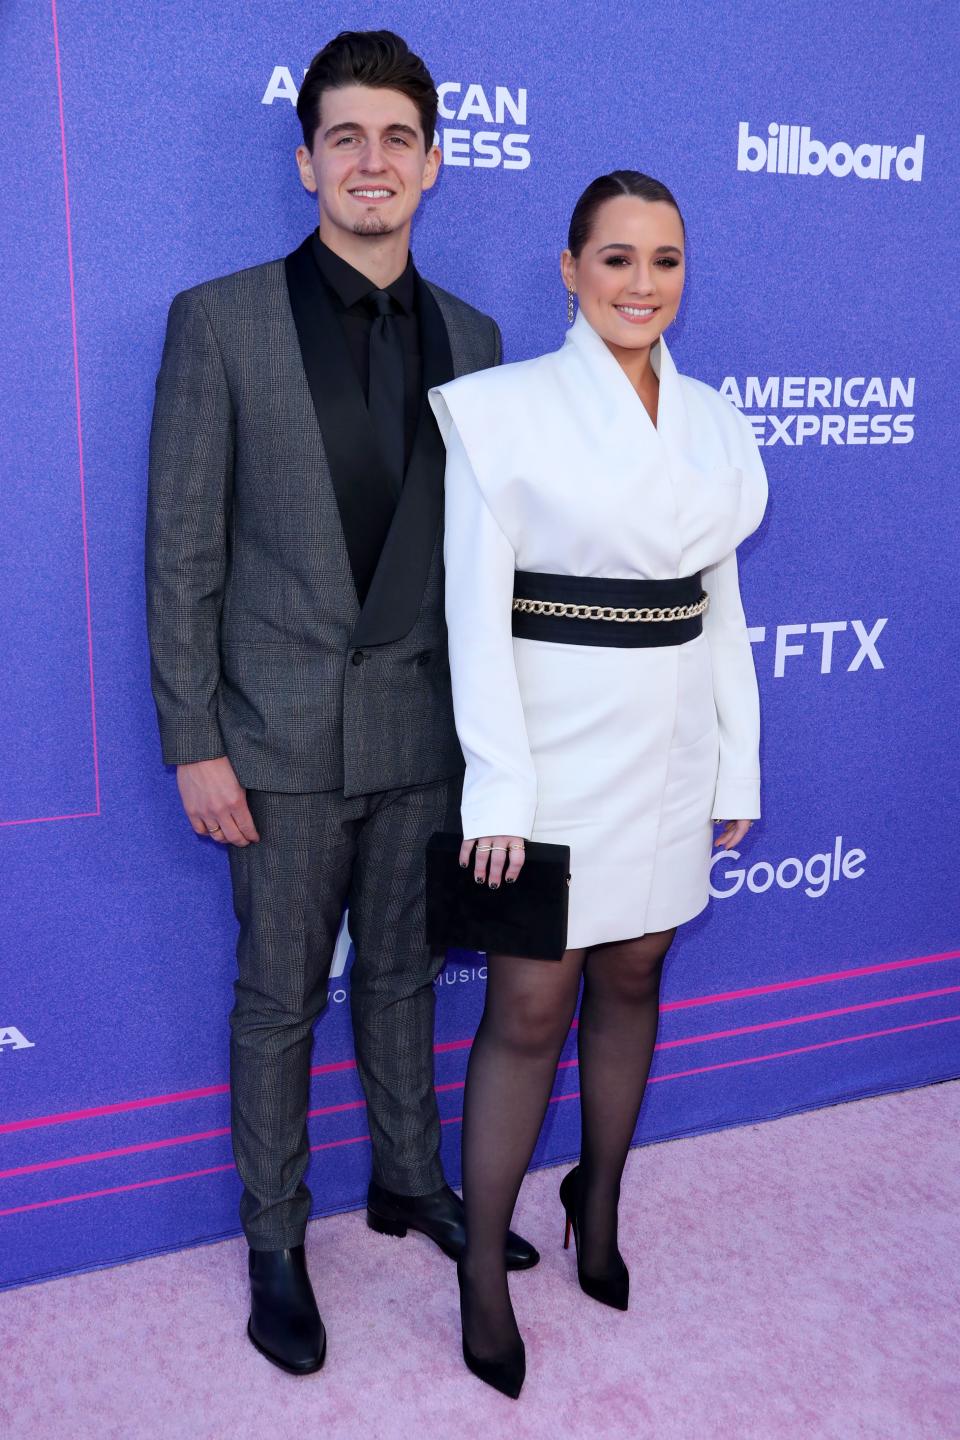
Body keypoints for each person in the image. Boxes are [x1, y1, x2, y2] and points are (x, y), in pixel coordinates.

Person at [145, 30, 537, 1379]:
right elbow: (181, 553)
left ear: (434, 162)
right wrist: (193, 740)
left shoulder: (480, 338)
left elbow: (489, 566)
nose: (374, 163)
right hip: (278, 739)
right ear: (306, 156)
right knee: (274, 1000)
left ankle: (411, 1180)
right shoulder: (221, 320)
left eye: (399, 139)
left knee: (407, 978)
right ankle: (274, 1241)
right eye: (347, 138)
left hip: (426, 734)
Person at [429, 171, 767, 1397]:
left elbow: (718, 607)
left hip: (674, 751)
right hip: (553, 758)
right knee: (527, 1011)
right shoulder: (496, 412)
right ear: (569, 269)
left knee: (635, 975)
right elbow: (476, 622)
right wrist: (499, 797)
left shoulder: (717, 423)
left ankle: (600, 1198)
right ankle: (478, 1268)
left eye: (665, 260)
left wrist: (739, 758)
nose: (642, 284)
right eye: (616, 259)